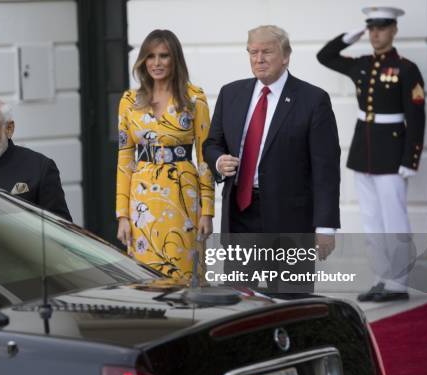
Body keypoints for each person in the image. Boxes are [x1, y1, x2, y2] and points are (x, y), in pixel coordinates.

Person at [202, 25, 341, 291]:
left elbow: (326, 168)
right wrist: (219, 161)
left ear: (286, 56)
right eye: (252, 52)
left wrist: (326, 225)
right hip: (241, 217)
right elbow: (212, 143)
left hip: (290, 222)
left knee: (292, 302)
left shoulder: (313, 100)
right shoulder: (230, 93)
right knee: (239, 302)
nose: (259, 58)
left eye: (267, 51)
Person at [317, 7, 425, 302]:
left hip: (392, 155)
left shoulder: (406, 68)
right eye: (372, 28)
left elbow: (416, 117)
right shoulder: (362, 65)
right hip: (363, 152)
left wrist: (409, 159)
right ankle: (381, 278)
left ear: (394, 30)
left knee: (394, 220)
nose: (376, 33)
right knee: (371, 220)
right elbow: (325, 56)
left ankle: (398, 283)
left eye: (382, 27)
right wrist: (348, 38)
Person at [116, 29, 215, 278]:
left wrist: (207, 211)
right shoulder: (129, 101)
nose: (156, 63)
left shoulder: (195, 98)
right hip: (142, 200)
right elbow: (125, 159)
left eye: (164, 56)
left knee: (184, 273)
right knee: (144, 277)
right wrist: (123, 216)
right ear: (143, 61)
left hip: (182, 194)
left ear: (175, 60)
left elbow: (205, 157)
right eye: (151, 56)